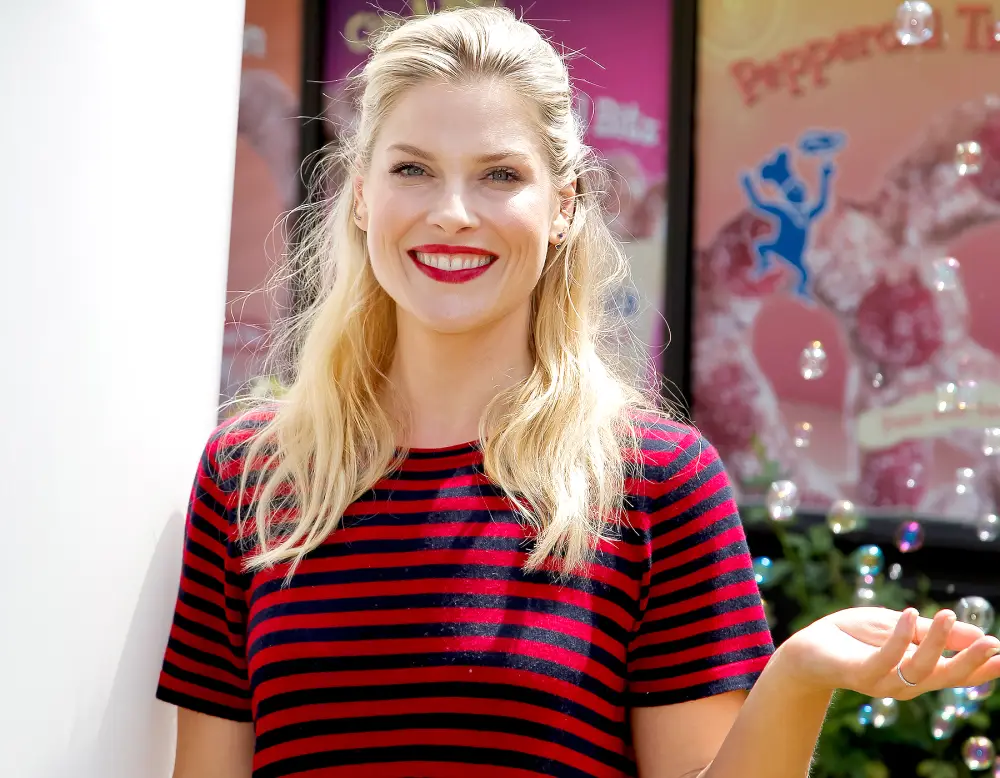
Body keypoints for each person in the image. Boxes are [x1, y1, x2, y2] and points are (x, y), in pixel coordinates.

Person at [156, 8, 1000, 778]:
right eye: (413, 169)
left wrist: (798, 675)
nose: (453, 212)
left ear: (563, 206)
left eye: (499, 175)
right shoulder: (251, 475)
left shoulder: (657, 480)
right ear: (361, 197)